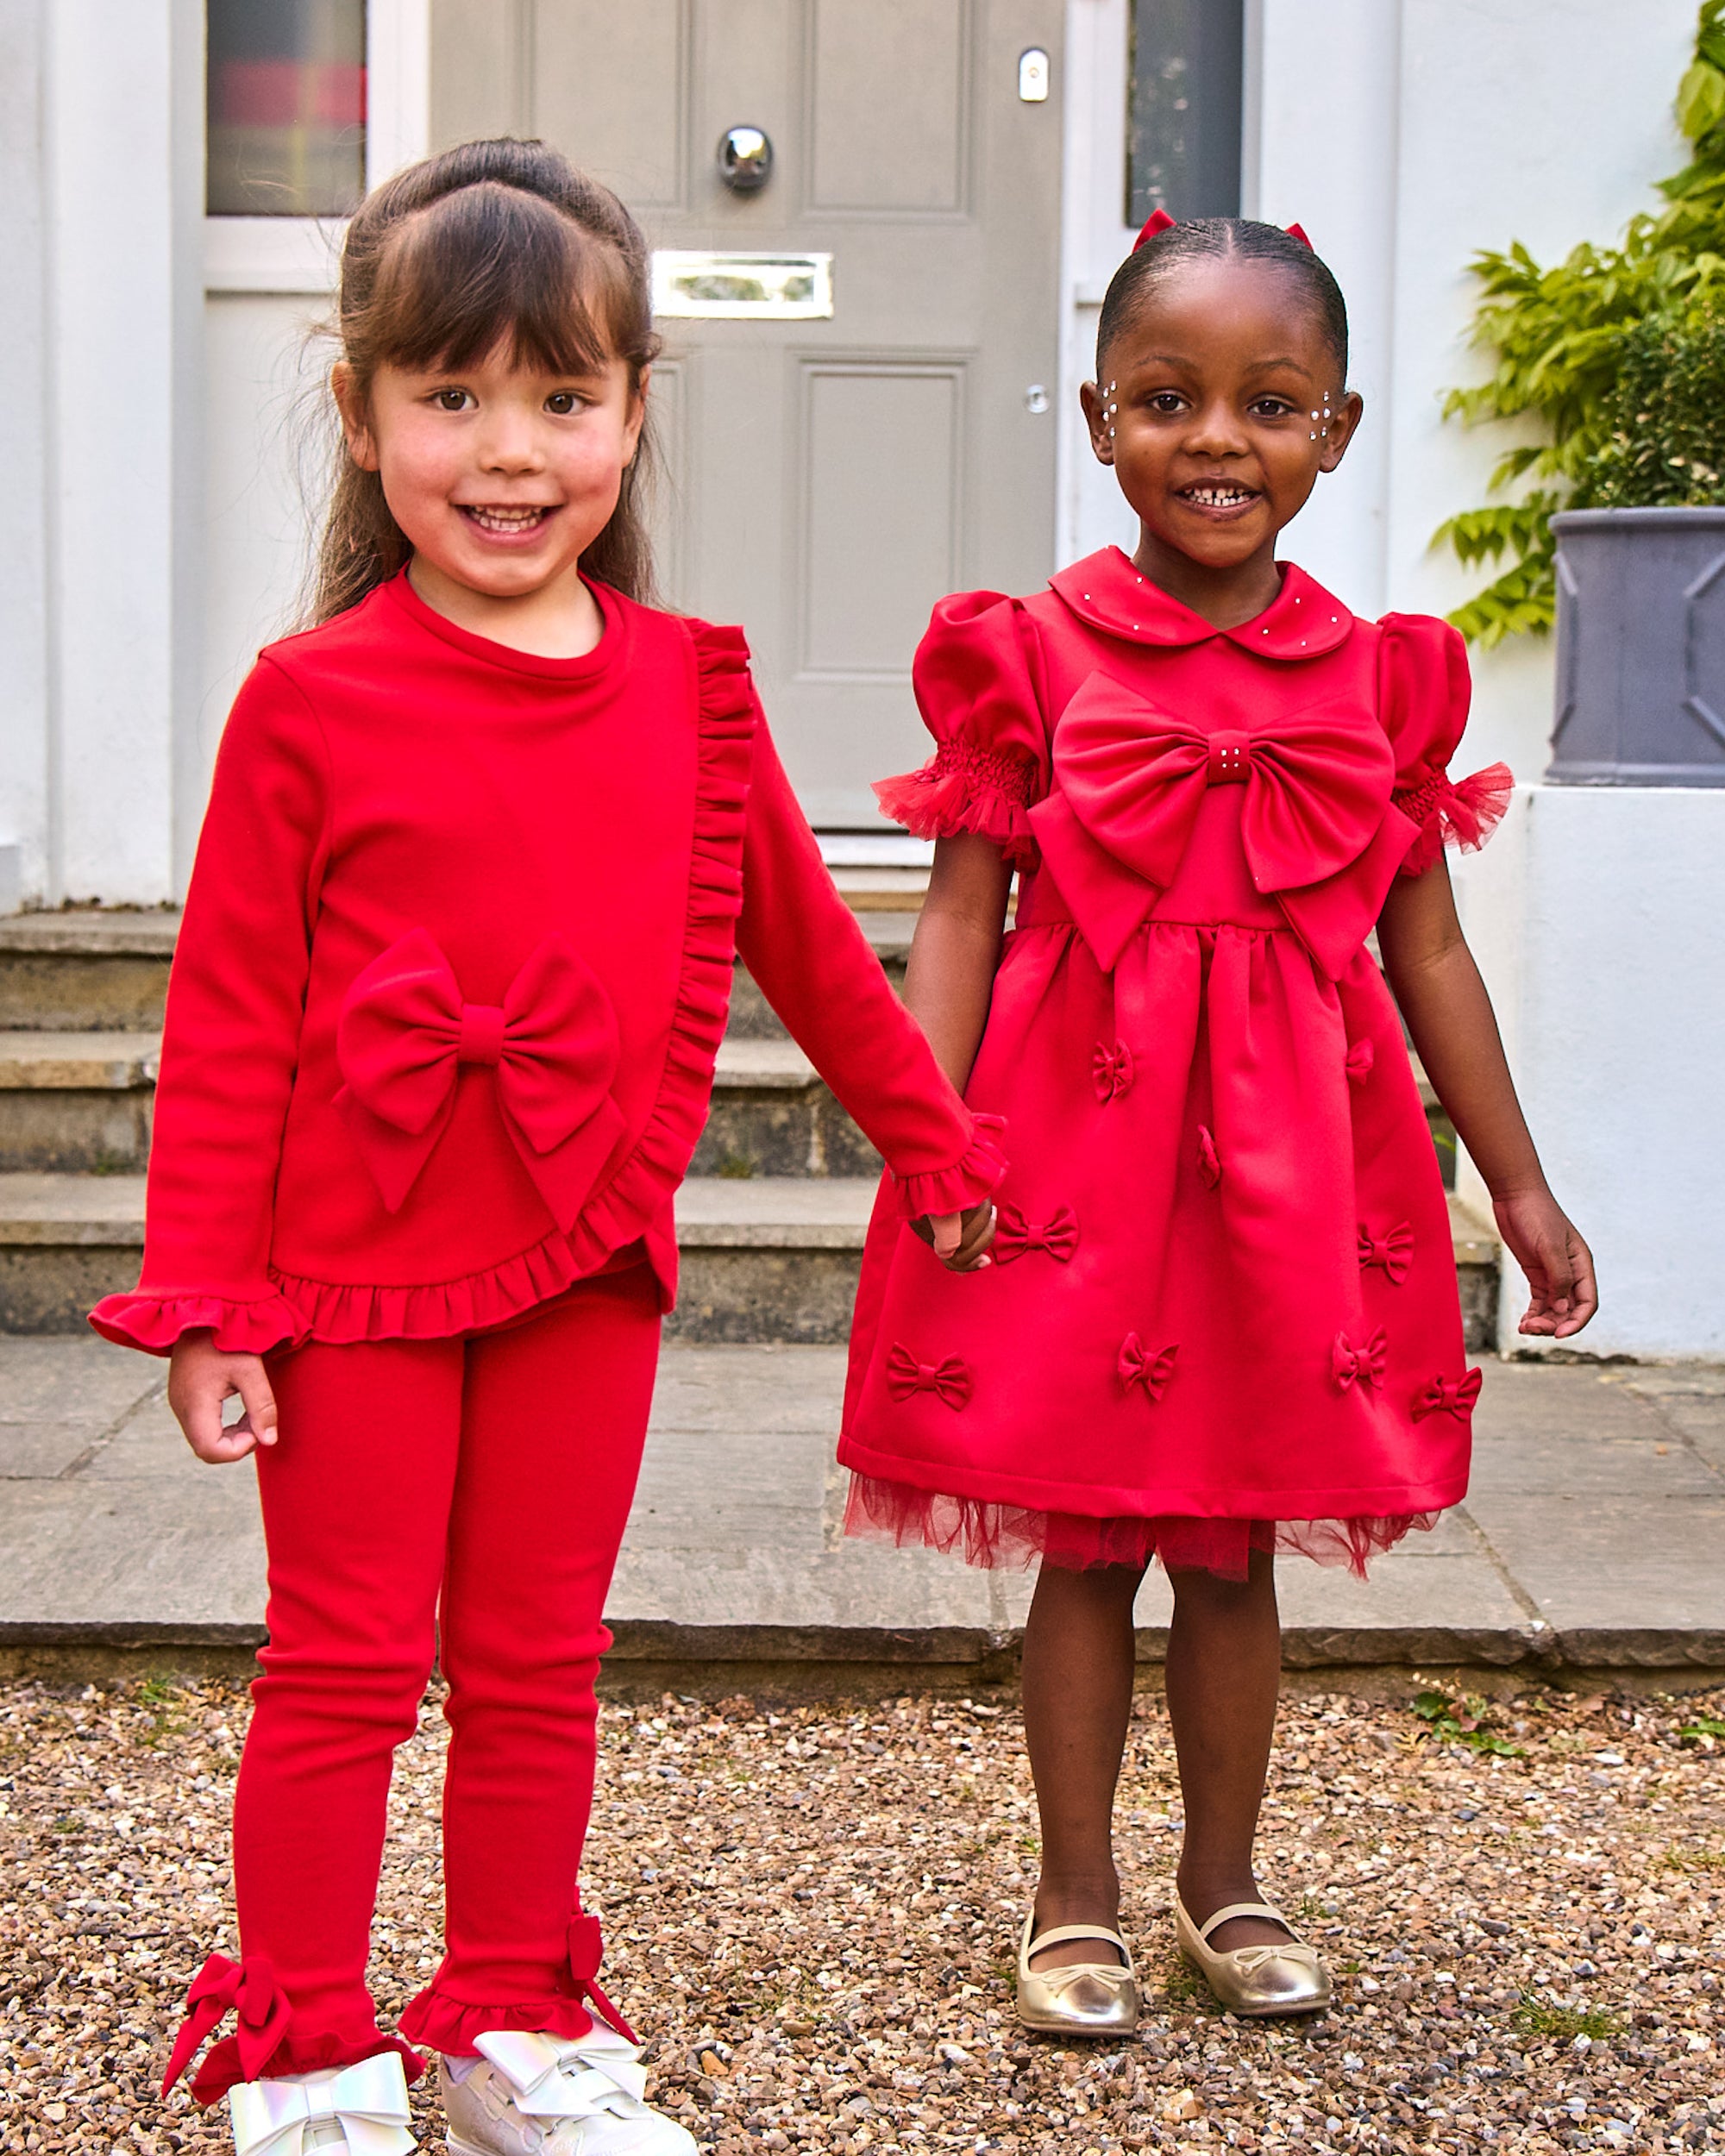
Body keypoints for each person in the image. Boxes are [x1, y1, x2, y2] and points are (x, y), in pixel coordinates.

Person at [91, 139, 1001, 2156]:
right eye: (451, 395)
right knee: (341, 1664)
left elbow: (808, 948)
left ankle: (509, 2017)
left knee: (535, 1659)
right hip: (347, 1270)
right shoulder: (304, 700)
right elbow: (227, 1018)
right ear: (361, 413)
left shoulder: (694, 690)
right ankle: (308, 2044)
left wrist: (935, 1144)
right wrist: (207, 1302)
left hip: (585, 1248)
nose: (509, 452)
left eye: (561, 397)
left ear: (633, 412)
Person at [839, 210, 1597, 2033]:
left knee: (1237, 1542)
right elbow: (960, 917)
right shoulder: (1027, 653)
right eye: (1169, 397)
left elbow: (1427, 948)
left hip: (1290, 1170)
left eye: (1270, 402)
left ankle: (1225, 1877)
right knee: (1090, 1536)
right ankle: (1075, 1891)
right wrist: (928, 1134)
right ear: (1103, 414)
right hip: (1077, 1162)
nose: (1217, 439)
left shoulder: (1383, 677)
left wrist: (1517, 1180)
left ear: (1335, 428)